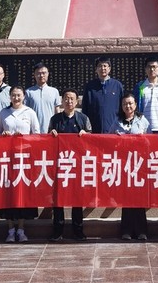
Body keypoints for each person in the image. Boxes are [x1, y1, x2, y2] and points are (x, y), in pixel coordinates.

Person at [0, 85, 40, 242]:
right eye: (13, 95)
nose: (16, 98)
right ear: (10, 97)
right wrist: (3, 135)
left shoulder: (30, 112)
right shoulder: (4, 113)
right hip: (8, 158)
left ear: (24, 96)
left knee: (22, 193)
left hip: (24, 159)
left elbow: (37, 134)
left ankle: (21, 228)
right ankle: (10, 229)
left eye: (19, 95)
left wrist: (25, 137)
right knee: (8, 194)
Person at [48, 88, 92, 241]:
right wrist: (51, 135)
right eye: (66, 98)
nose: (69, 101)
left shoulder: (83, 118)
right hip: (60, 164)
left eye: (72, 98)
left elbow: (92, 138)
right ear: (62, 101)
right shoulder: (55, 119)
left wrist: (86, 135)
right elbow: (47, 138)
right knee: (58, 198)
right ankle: (57, 231)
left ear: (77, 101)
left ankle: (78, 230)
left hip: (77, 164)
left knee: (77, 198)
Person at [115, 93, 150, 240]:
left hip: (139, 164)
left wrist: (143, 138)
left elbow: (151, 141)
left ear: (135, 105)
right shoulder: (117, 121)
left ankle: (141, 230)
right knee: (127, 197)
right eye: (125, 104)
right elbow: (107, 139)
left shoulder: (143, 121)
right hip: (124, 164)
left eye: (130, 103)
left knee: (139, 197)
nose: (127, 106)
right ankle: (126, 230)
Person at [81, 57, 123, 133]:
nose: (102, 68)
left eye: (105, 66)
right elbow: (85, 108)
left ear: (109, 68)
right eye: (100, 66)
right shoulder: (90, 87)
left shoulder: (117, 85)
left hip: (114, 129)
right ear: (96, 69)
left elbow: (122, 107)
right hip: (94, 129)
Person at [25, 61, 61, 134]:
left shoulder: (54, 91)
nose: (41, 75)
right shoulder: (28, 92)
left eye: (44, 73)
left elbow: (57, 111)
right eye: (38, 73)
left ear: (48, 74)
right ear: (34, 75)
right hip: (33, 131)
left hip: (50, 131)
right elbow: (25, 111)